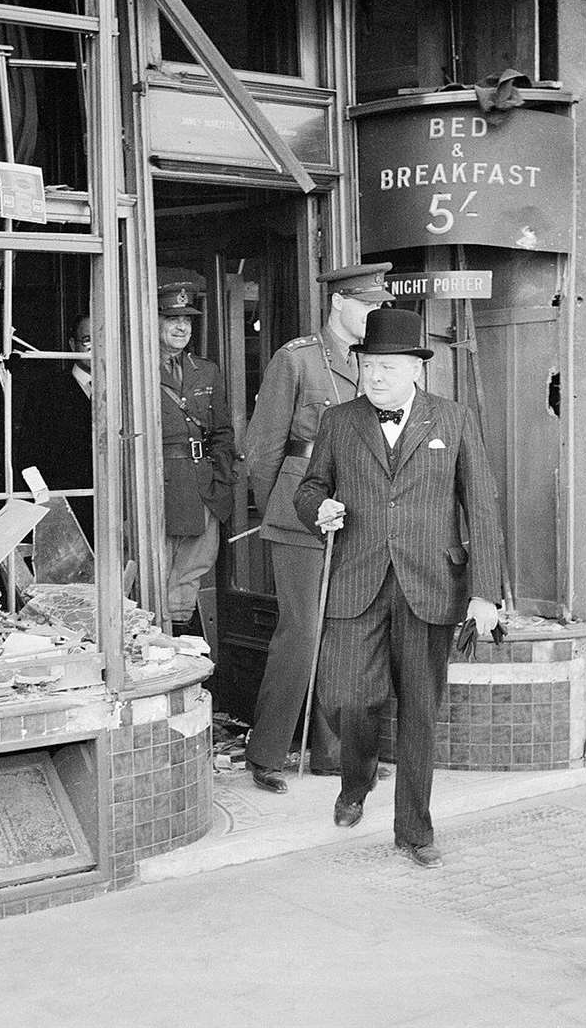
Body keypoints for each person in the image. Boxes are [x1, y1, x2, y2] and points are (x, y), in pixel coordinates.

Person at [293, 307, 503, 868]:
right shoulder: (340, 421)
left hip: (432, 582)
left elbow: (480, 506)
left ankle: (414, 830)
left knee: (419, 711)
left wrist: (486, 592)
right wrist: (321, 507)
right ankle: (355, 780)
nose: (376, 376)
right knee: (346, 698)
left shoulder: (453, 419)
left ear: (416, 368)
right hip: (356, 580)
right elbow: (309, 487)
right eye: (368, 365)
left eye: (388, 366)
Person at [243, 262, 396, 793]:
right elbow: (261, 448)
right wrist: (279, 510)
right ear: (339, 304)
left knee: (346, 634)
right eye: (368, 306)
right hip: (298, 513)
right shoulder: (299, 358)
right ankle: (266, 751)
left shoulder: (376, 363)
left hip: (356, 516)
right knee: (303, 634)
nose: (376, 315)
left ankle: (332, 753)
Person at [158, 282, 236, 635]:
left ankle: (179, 631)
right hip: (160, 483)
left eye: (187, 320)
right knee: (156, 570)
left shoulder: (206, 370)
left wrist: (221, 479)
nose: (181, 327)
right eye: (171, 318)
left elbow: (222, 432)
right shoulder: (136, 368)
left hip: (202, 482)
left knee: (193, 568)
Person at [26, 313, 95, 542]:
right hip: (65, 509)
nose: (95, 346)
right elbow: (28, 457)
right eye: (87, 339)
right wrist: (44, 504)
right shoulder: (46, 391)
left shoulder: (125, 387)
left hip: (118, 510)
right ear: (72, 344)